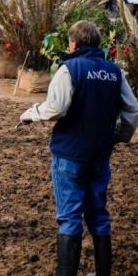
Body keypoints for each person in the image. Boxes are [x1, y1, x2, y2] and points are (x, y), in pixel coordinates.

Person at [19, 21, 138, 276]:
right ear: (97, 43)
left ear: (73, 43)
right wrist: (120, 136)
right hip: (99, 155)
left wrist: (30, 114)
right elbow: (132, 109)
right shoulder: (115, 72)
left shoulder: (69, 69)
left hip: (69, 154)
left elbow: (56, 108)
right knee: (98, 215)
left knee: (69, 216)